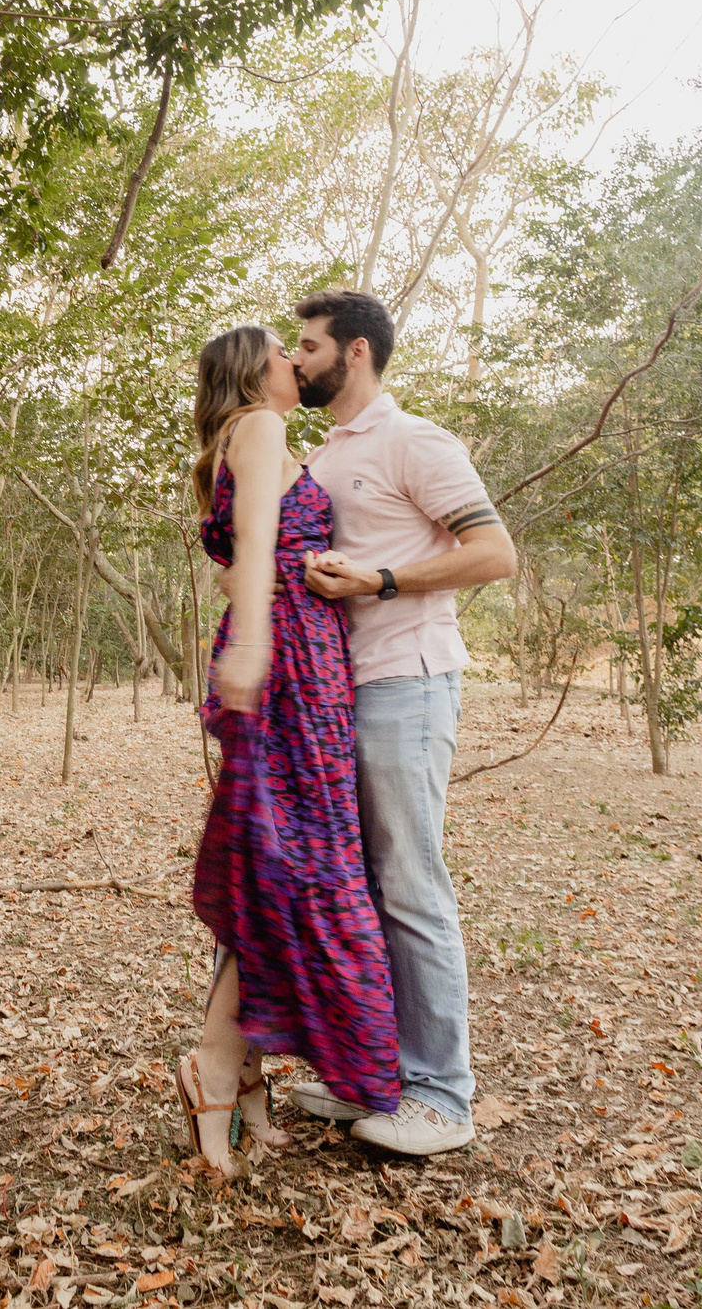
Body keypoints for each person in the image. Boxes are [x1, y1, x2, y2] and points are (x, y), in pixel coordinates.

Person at [286, 288, 517, 1156]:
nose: (295, 358)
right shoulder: (328, 450)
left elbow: (494, 555)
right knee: (363, 884)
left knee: (412, 885)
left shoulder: (414, 439)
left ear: (353, 353)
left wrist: (381, 582)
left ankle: (442, 1097)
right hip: (340, 691)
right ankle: (372, 1077)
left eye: (307, 345)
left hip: (409, 686)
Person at [178, 324, 403, 1182]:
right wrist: (254, 646)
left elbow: (248, 556)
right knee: (290, 866)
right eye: (282, 350)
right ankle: (214, 1064)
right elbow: (259, 547)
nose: (292, 363)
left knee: (274, 868)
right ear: (252, 368)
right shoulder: (262, 424)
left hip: (297, 648)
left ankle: (243, 1079)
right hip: (290, 661)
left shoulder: (243, 440)